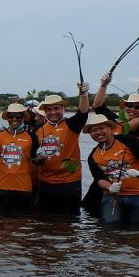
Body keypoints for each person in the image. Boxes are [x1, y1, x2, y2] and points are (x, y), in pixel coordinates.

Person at [85, 113, 139, 223]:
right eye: (93, 130)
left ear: (110, 128)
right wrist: (110, 187)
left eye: (101, 128)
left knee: (137, 227)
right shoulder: (93, 155)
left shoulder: (128, 140)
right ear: (90, 134)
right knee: (110, 226)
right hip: (112, 197)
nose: (98, 132)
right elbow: (99, 179)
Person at [33, 84, 89, 213]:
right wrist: (38, 158)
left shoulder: (72, 125)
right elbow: (34, 160)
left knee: (70, 220)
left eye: (57, 108)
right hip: (46, 182)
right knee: (47, 219)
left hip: (70, 181)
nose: (53, 112)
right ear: (45, 111)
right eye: (49, 109)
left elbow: (83, 113)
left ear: (63, 108)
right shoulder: (38, 130)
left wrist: (83, 95)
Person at [0, 103, 39, 208]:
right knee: (0, 221)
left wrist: (40, 157)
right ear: (7, 118)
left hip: (23, 187)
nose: (14, 119)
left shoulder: (32, 136)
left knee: (22, 221)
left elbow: (35, 161)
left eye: (18, 117)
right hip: (1, 186)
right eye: (10, 116)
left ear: (23, 118)